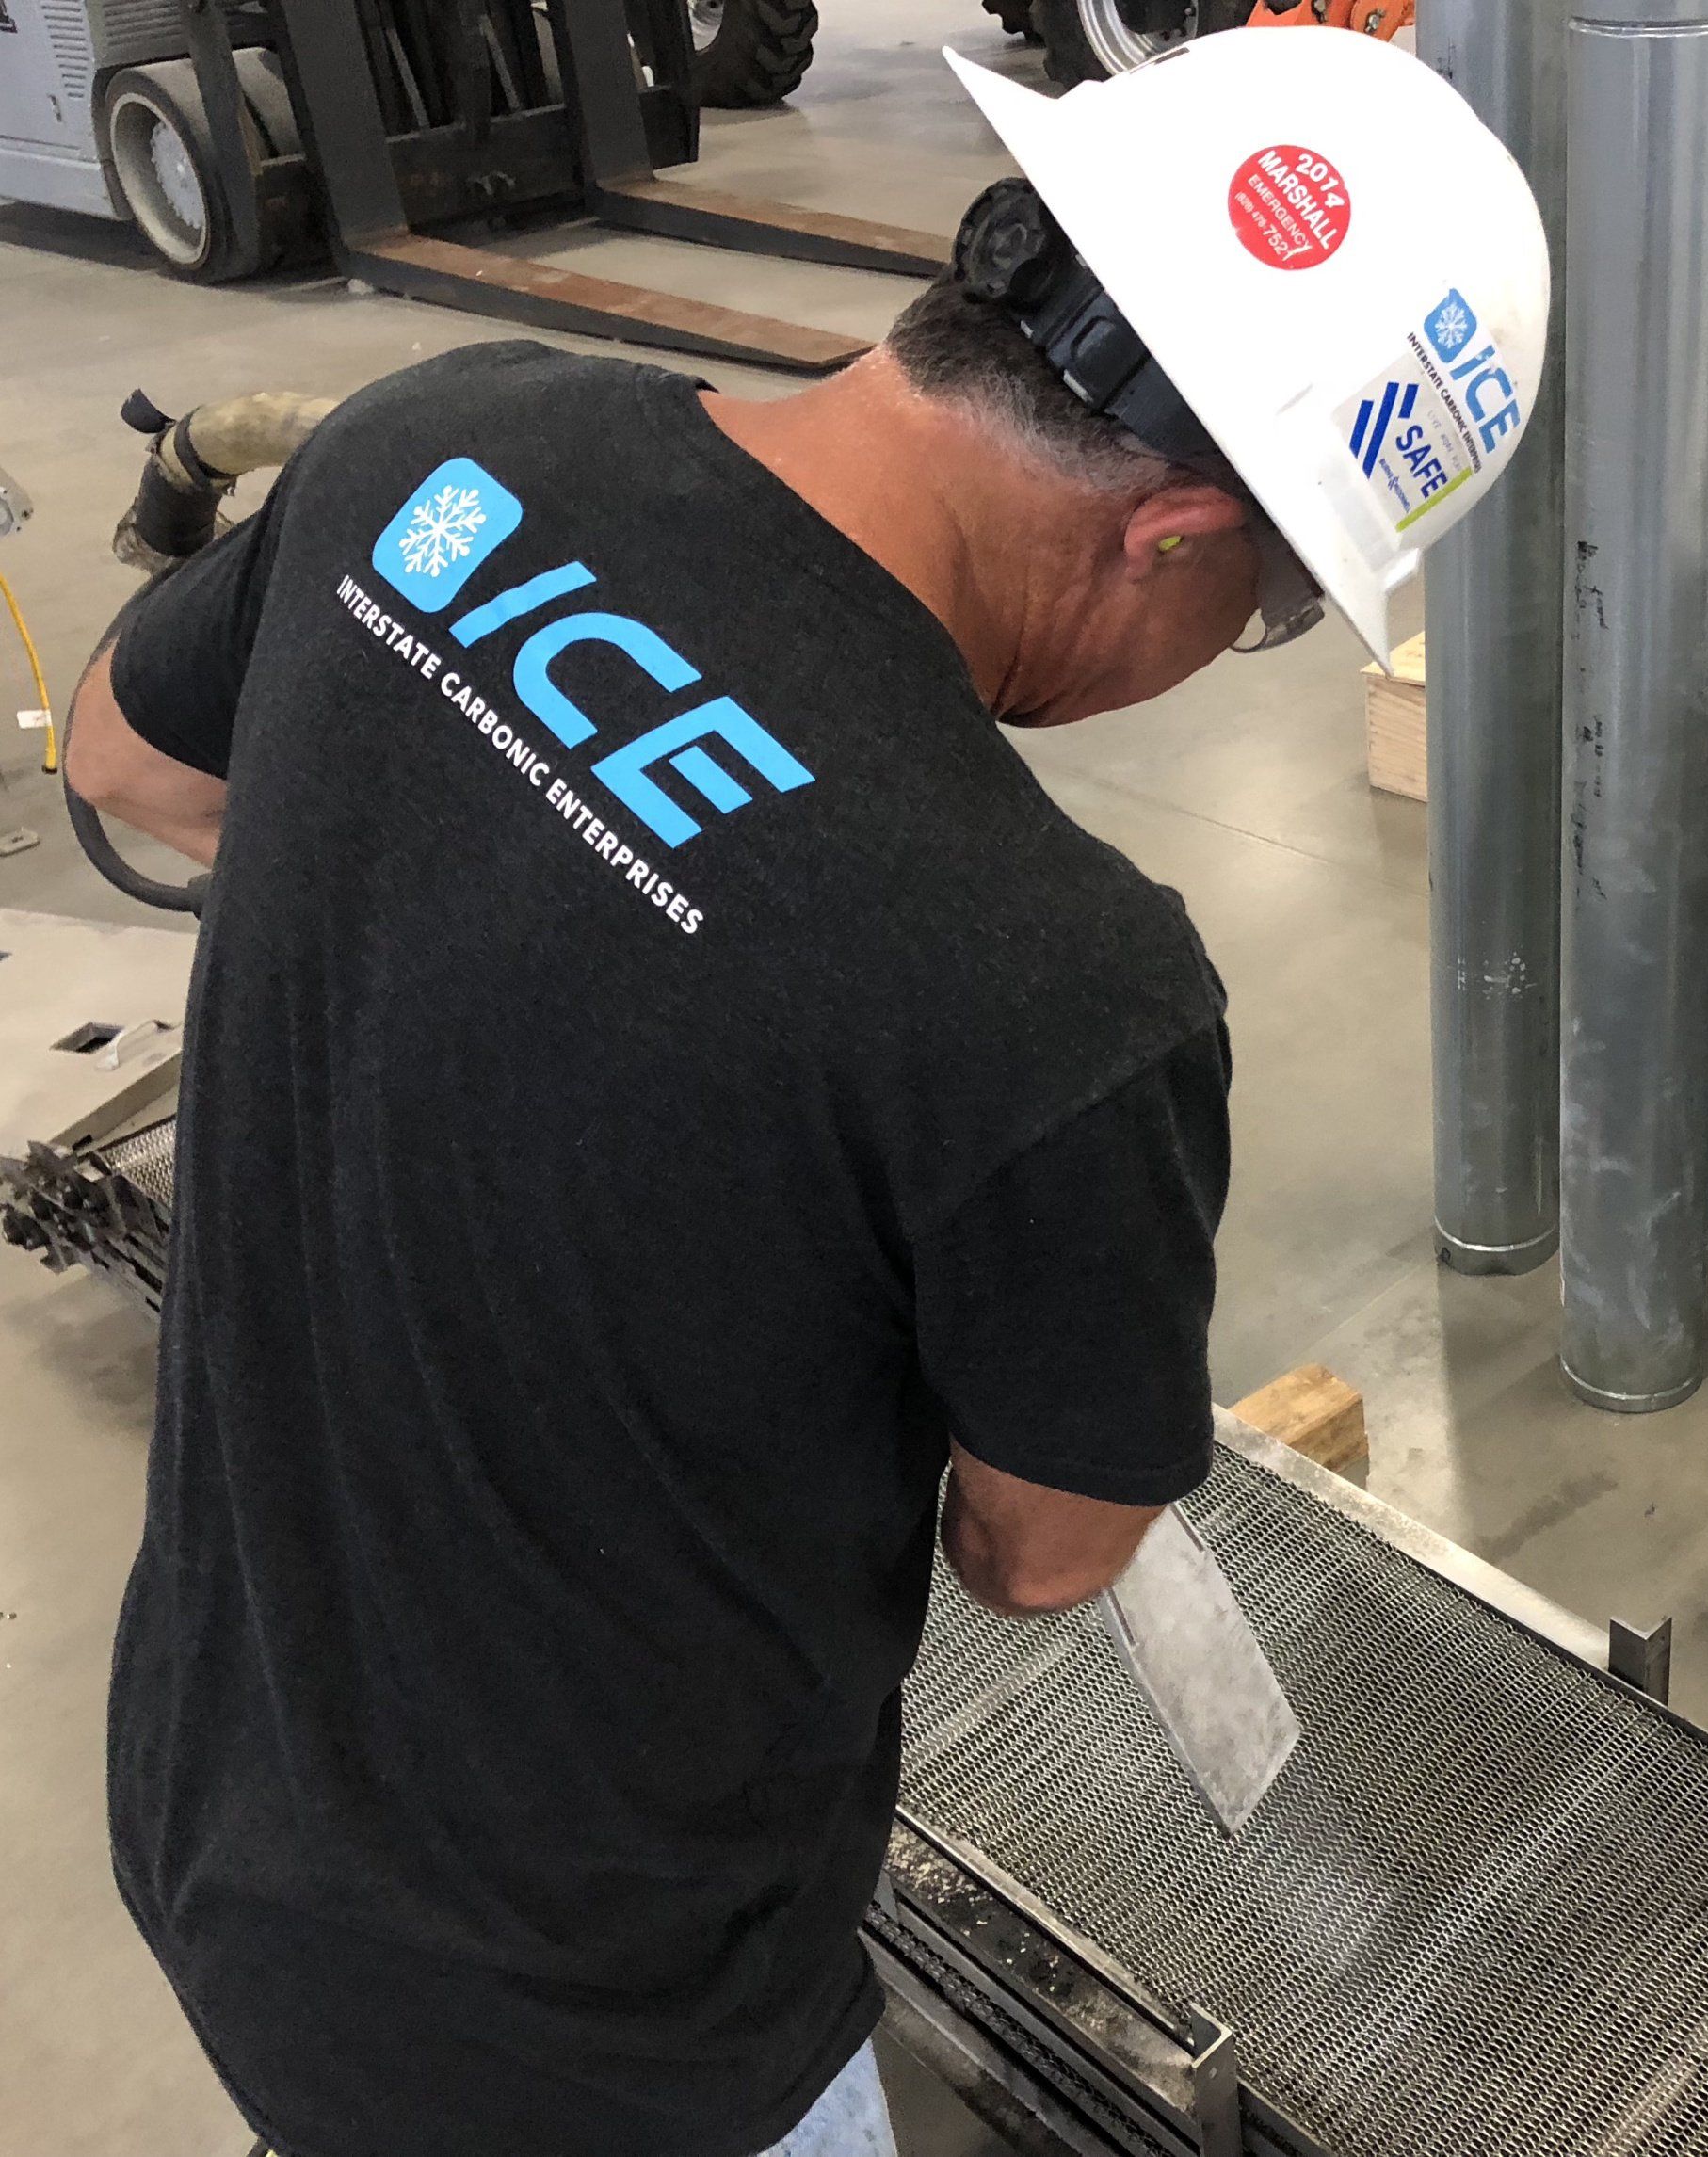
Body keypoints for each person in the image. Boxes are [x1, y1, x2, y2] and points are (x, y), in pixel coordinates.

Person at [64, 29, 1546, 2157]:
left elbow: (125, 756)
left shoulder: (440, 437)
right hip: (609, 2035)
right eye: (1266, 614)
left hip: (218, 1780)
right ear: (1178, 536)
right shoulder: (1061, 987)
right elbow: (1040, 1556)